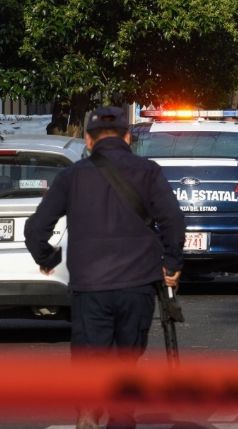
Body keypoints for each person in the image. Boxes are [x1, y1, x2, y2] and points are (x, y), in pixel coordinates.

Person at [24, 106, 185, 429]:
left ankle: (87, 408)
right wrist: (171, 263)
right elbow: (173, 220)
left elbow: (36, 227)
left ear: (87, 140)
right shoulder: (148, 171)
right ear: (128, 137)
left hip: (89, 285)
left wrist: (48, 259)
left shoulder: (72, 176)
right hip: (137, 283)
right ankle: (121, 415)